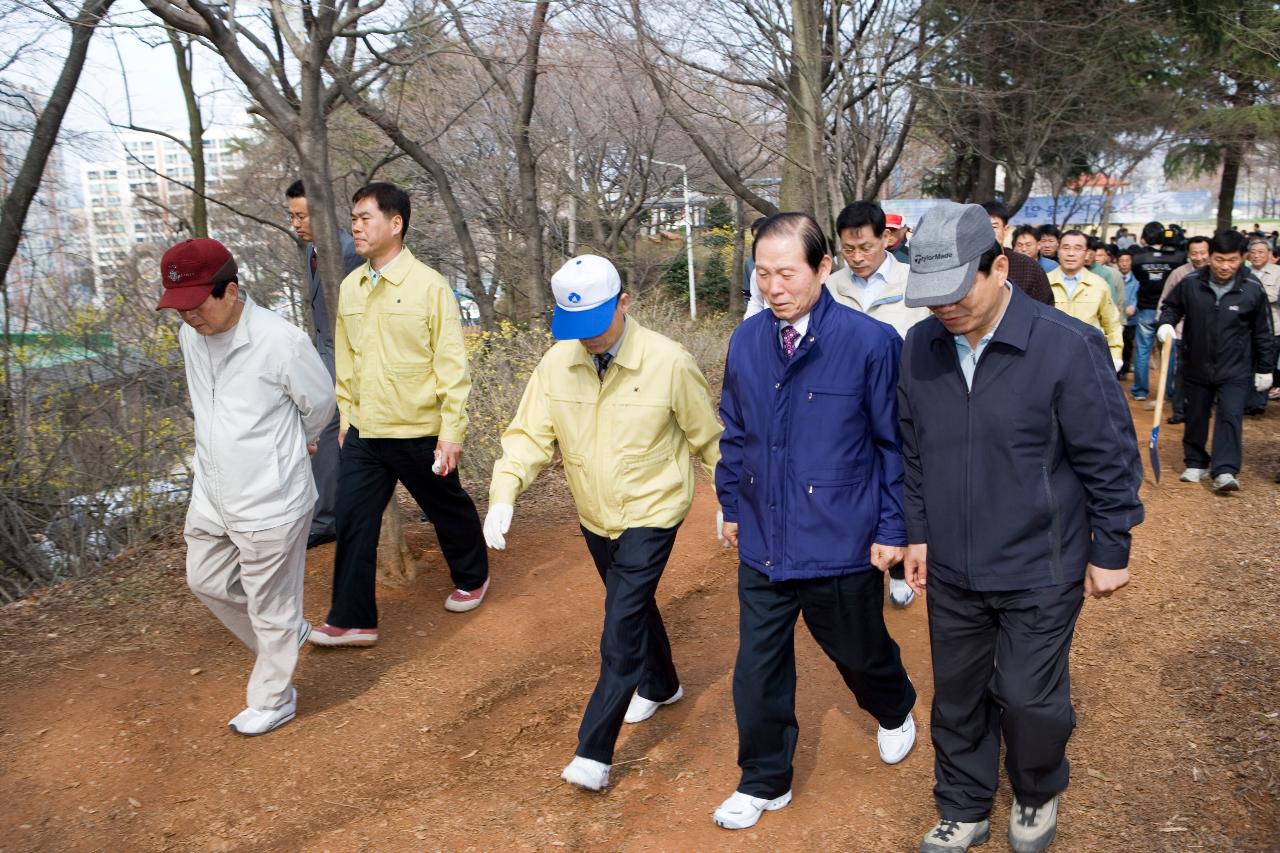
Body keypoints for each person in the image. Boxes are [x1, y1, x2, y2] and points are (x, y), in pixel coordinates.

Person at [897, 202, 1143, 853]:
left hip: (1043, 559)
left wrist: (1111, 546)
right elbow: (912, 449)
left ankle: (1035, 789)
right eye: (930, 298)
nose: (942, 309)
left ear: (998, 267)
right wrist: (918, 530)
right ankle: (964, 804)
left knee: (1029, 697)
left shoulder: (1065, 346)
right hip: (952, 561)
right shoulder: (920, 346)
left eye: (955, 292)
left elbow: (1111, 457)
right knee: (959, 695)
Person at [483, 255, 722, 792]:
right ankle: (661, 684)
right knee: (630, 605)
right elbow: (526, 438)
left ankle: (594, 751)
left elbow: (709, 439)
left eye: (595, 323)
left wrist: (730, 496)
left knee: (619, 625)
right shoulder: (556, 364)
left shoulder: (669, 362)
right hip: (596, 514)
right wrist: (504, 493)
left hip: (653, 510)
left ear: (623, 303)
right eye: (575, 327)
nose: (586, 338)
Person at [714, 212, 917, 831]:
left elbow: (893, 446)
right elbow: (736, 433)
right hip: (765, 538)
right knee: (758, 665)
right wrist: (730, 504)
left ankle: (894, 705)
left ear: (822, 267)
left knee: (857, 650)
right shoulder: (747, 341)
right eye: (763, 273)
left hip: (841, 538)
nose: (774, 287)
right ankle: (763, 778)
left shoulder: (870, 343)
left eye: (787, 273)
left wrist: (891, 527)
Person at [157, 238, 335, 735]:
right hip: (212, 491)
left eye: (195, 304)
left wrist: (293, 444)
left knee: (270, 602)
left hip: (270, 497)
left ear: (230, 290)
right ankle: (283, 632)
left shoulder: (280, 341)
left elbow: (319, 404)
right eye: (178, 306)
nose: (187, 316)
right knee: (205, 580)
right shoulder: (190, 335)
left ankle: (275, 698)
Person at [310, 182, 490, 647]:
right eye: (353, 217)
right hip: (367, 432)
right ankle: (353, 618)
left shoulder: (429, 286)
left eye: (365, 217)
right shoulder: (351, 288)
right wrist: (347, 419)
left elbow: (452, 364)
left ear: (396, 223)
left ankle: (473, 576)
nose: (356, 225)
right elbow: (346, 361)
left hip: (420, 429)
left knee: (446, 507)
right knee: (352, 521)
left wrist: (452, 432)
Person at [825, 201, 930, 608]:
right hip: (849, 410)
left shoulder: (913, 282)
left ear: (886, 238)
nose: (857, 257)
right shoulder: (831, 288)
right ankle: (861, 564)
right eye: (849, 249)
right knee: (860, 485)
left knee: (901, 480)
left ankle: (902, 566)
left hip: (905, 403)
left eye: (865, 247)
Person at [1157, 230, 1275, 492]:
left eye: (1232, 260)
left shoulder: (1252, 288)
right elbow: (1171, 306)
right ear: (1209, 257)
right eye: (1219, 259)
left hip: (1236, 367)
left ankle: (1225, 469)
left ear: (1242, 258)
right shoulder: (1191, 283)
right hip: (1197, 364)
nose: (1225, 266)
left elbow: (1263, 331)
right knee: (1195, 415)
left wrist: (1266, 368)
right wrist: (1166, 324)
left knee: (1230, 416)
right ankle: (1196, 461)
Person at [285, 179, 364, 549]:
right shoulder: (312, 250)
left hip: (348, 354)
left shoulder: (347, 252)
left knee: (328, 424)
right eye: (293, 216)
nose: (297, 224)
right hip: (325, 353)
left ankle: (325, 518)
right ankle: (327, 514)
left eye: (302, 215)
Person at [1155, 235, 1211, 424]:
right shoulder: (1179, 274)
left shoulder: (1216, 272)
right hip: (1181, 330)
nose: (1199, 257)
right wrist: (1164, 324)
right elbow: (1165, 300)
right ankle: (1179, 411)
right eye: (1194, 253)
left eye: (1203, 252)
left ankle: (1202, 409)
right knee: (1182, 371)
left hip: (1208, 333)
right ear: (1188, 254)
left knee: (1205, 372)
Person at [1128, 221, 1186, 401]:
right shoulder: (1178, 258)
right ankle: (1168, 390)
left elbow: (1137, 278)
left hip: (1145, 308)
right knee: (1168, 352)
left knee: (1143, 351)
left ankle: (1140, 391)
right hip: (1170, 312)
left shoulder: (1137, 259)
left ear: (1144, 238)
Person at [1047, 231, 1123, 366]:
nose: (1071, 253)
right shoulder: (1045, 282)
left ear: (1086, 253)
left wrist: (1115, 355)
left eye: (1077, 248)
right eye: (1066, 248)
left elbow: (1112, 324)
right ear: (1058, 251)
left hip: (1089, 359)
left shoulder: (1099, 285)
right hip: (1052, 358)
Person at [980, 202, 1054, 305]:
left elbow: (1046, 307)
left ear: (1005, 230)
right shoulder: (965, 266)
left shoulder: (1028, 266)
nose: (987, 233)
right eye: (982, 227)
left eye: (994, 227)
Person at [1245, 237, 1280, 410]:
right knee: (1248, 363)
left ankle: (1258, 402)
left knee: (1266, 363)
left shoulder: (1277, 272)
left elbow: (1275, 297)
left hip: (1272, 327)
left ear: (1269, 254)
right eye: (1253, 252)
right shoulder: (1244, 273)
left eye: (1261, 252)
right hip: (1247, 328)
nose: (1257, 256)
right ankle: (1246, 399)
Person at [1117, 249, 1139, 378]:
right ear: (1117, 262)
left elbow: (1139, 294)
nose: (1124, 264)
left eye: (1127, 261)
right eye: (1121, 261)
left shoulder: (1137, 279)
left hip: (1131, 318)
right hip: (1117, 318)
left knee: (1128, 344)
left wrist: (1133, 306)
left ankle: (1124, 369)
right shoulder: (1114, 277)